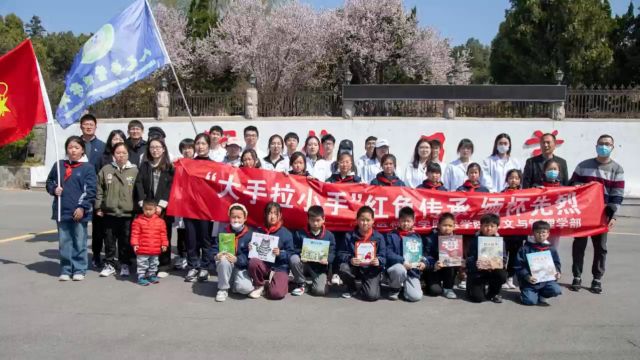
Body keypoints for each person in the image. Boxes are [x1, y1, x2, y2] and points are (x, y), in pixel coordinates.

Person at [569, 134, 625, 294]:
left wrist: (613, 215)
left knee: (600, 248)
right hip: (582, 214)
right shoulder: (583, 165)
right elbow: (572, 186)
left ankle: (597, 279)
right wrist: (586, 186)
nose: (604, 146)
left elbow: (617, 194)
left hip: (602, 215)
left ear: (612, 147)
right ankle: (577, 276)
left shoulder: (617, 169)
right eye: (601, 143)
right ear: (596, 145)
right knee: (579, 245)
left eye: (607, 144)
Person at [46, 136, 96, 281]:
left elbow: (91, 190)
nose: (73, 150)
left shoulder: (87, 168)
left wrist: (82, 207)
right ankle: (66, 269)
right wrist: (54, 189)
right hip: (62, 210)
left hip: (79, 212)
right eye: (70, 147)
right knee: (64, 241)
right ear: (66, 149)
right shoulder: (59, 165)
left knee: (79, 240)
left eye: (76, 148)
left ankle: (79, 268)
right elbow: (50, 182)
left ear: (82, 151)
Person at [134, 138, 174, 278]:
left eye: (158, 147)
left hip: (163, 208)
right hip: (147, 207)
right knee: (148, 236)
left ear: (163, 149)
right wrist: (143, 203)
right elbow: (138, 184)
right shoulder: (145, 165)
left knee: (163, 236)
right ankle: (148, 265)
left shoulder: (169, 167)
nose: (155, 150)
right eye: (152, 147)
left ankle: (163, 264)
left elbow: (170, 187)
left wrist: (161, 205)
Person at [96, 143, 138, 278]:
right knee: (109, 240)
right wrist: (98, 206)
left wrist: (138, 210)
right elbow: (99, 189)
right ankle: (109, 264)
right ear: (113, 155)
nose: (121, 155)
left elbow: (139, 192)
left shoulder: (134, 171)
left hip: (127, 213)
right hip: (110, 212)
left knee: (125, 240)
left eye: (124, 153)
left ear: (128, 154)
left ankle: (124, 264)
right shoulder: (106, 169)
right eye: (118, 153)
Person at [92, 129, 126, 268]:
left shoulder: (128, 159)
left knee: (121, 234)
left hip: (123, 204)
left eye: (120, 138)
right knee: (100, 233)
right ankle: (97, 256)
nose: (117, 141)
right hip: (105, 202)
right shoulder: (102, 158)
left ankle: (122, 261)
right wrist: (98, 204)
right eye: (114, 138)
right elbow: (97, 182)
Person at [338, 206, 387, 301]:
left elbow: (384, 256)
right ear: (357, 220)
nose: (365, 223)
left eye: (368, 220)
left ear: (373, 220)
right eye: (362, 220)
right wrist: (350, 260)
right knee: (343, 267)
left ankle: (373, 283)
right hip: (355, 268)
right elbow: (340, 254)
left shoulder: (379, 237)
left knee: (371, 296)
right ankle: (352, 288)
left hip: (371, 270)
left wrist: (379, 261)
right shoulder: (349, 236)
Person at [183, 133, 214, 282]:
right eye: (198, 144)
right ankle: (193, 266)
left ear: (209, 145)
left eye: (203, 143)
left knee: (205, 239)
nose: (200, 147)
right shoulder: (187, 164)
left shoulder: (215, 165)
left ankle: (205, 267)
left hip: (206, 209)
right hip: (189, 207)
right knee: (191, 238)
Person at [247, 202, 294, 300]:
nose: (272, 216)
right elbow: (252, 251)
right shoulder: (258, 232)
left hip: (279, 267)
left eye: (275, 214)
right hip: (264, 265)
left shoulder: (286, 233)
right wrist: (250, 248)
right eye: (269, 213)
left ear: (280, 215)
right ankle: (260, 285)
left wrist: (280, 253)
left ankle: (278, 283)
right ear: (265, 214)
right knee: (253, 262)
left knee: (276, 294)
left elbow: (291, 254)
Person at [211, 203, 255, 302]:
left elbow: (250, 257)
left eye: (239, 217)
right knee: (223, 260)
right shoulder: (223, 231)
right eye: (233, 217)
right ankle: (223, 289)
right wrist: (216, 255)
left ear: (245, 218)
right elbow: (214, 248)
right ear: (229, 217)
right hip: (226, 264)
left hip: (240, 267)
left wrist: (237, 259)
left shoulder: (250, 234)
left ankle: (232, 282)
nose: (236, 220)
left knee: (245, 289)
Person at [290, 206, 336, 296]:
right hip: (304, 264)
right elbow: (294, 249)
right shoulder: (300, 233)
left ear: (323, 219)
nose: (315, 223)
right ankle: (302, 283)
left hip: (319, 268)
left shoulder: (329, 235)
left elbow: (333, 252)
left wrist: (327, 260)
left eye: (318, 220)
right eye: (312, 220)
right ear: (308, 219)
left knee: (319, 291)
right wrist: (301, 254)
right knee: (294, 259)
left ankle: (319, 283)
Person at [514, 220, 562, 306]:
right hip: (530, 282)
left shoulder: (551, 248)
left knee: (556, 290)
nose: (541, 235)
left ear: (548, 234)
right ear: (533, 233)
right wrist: (527, 276)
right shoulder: (525, 248)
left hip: (546, 280)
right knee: (530, 301)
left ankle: (542, 294)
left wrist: (557, 272)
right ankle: (525, 294)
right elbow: (519, 265)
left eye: (543, 232)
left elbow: (556, 263)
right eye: (538, 232)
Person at [385, 207, 427, 302]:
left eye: (408, 221)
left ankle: (405, 289)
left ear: (413, 222)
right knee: (399, 270)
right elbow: (388, 253)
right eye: (403, 221)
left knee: (416, 297)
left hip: (412, 270)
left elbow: (421, 254)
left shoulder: (416, 237)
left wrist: (423, 262)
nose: (406, 223)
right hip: (398, 268)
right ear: (399, 221)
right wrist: (402, 261)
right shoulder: (391, 235)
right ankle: (394, 289)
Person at [466, 214, 508, 303]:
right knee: (478, 298)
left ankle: (493, 293)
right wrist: (475, 263)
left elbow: (503, 258)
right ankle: (471, 288)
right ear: (481, 227)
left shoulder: (500, 241)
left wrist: (497, 264)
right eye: (486, 226)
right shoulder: (474, 240)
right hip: (478, 272)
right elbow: (469, 258)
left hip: (493, 270)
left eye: (492, 226)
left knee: (502, 275)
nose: (489, 228)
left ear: (497, 228)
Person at [130, 199, 168, 286]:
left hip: (155, 248)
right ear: (143, 209)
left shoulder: (160, 221)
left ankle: (152, 275)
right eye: (146, 209)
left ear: (155, 210)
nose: (148, 211)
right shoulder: (138, 221)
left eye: (150, 209)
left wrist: (164, 244)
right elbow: (135, 234)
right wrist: (135, 244)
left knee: (154, 263)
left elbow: (163, 234)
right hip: (142, 248)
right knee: (142, 263)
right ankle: (141, 276)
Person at [423, 213, 460, 299]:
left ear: (454, 227)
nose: (447, 228)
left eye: (450, 226)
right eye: (445, 225)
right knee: (435, 291)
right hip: (434, 269)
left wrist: (460, 262)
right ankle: (428, 284)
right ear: (438, 225)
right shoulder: (430, 239)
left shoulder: (456, 240)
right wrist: (434, 265)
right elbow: (426, 256)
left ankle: (448, 288)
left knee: (453, 263)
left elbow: (458, 257)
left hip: (448, 269)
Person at [502, 169, 526, 289]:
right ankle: (501, 276)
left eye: (516, 178)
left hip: (517, 232)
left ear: (520, 180)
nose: (513, 180)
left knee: (514, 256)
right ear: (507, 179)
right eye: (511, 178)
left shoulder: (525, 195)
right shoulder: (501, 194)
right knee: (502, 255)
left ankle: (510, 277)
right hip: (503, 231)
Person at [173, 138, 195, 270]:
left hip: (194, 202)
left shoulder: (198, 163)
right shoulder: (177, 164)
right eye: (184, 148)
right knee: (181, 229)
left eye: (190, 148)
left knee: (192, 230)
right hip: (180, 201)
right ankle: (182, 255)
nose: (187, 151)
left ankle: (192, 255)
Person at [531, 159, 563, 248]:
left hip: (555, 223)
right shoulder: (537, 186)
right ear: (544, 171)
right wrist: (537, 190)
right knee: (537, 247)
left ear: (559, 171)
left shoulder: (563, 188)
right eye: (549, 169)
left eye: (555, 169)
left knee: (553, 247)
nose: (552, 171)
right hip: (540, 223)